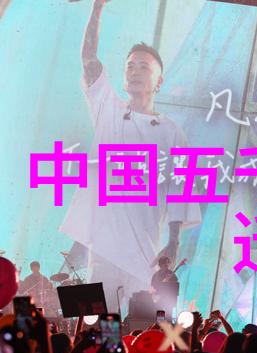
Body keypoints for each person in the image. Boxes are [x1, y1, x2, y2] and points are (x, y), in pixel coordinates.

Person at [59, 0, 201, 313]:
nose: (135, 71)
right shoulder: (107, 110)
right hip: (104, 248)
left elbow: (181, 189)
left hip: (146, 252)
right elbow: (88, 59)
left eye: (144, 67)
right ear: (124, 78)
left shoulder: (173, 133)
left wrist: (173, 242)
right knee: (95, 325)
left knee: (142, 326)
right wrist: (97, 8)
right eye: (130, 67)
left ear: (159, 81)